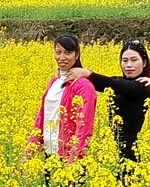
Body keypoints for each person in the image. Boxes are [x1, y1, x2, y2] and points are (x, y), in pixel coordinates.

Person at [67, 39, 150, 161]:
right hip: (110, 148)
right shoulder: (119, 82)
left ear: (144, 63)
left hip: (130, 151)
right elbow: (104, 83)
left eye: (134, 60)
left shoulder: (144, 86)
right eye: (124, 60)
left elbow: (116, 85)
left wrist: (89, 74)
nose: (129, 65)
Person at [26, 35, 97, 165]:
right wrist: (30, 150)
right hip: (50, 153)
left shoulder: (83, 86)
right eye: (58, 52)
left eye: (68, 53)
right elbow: (42, 117)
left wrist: (74, 158)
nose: (62, 57)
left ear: (77, 55)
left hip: (69, 158)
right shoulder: (54, 81)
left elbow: (84, 125)